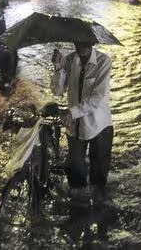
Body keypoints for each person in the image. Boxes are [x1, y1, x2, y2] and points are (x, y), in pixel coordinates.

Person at [50, 42, 114, 204]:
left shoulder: (103, 61)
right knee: (75, 170)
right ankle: (78, 209)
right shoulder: (70, 60)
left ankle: (99, 204)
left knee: (99, 174)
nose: (80, 44)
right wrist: (58, 68)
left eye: (84, 40)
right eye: (77, 40)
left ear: (92, 41)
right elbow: (57, 91)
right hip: (75, 126)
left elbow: (97, 98)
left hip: (99, 124)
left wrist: (72, 112)